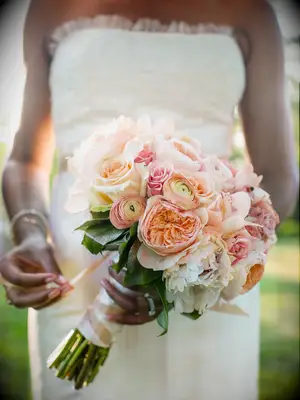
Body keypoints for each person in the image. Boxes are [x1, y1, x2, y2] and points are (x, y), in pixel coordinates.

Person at [0, 0, 298, 399]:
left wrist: (194, 253)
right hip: (76, 281)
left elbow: (278, 177)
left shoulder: (252, 12)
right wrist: (31, 233)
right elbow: (24, 159)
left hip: (204, 287)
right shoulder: (50, 8)